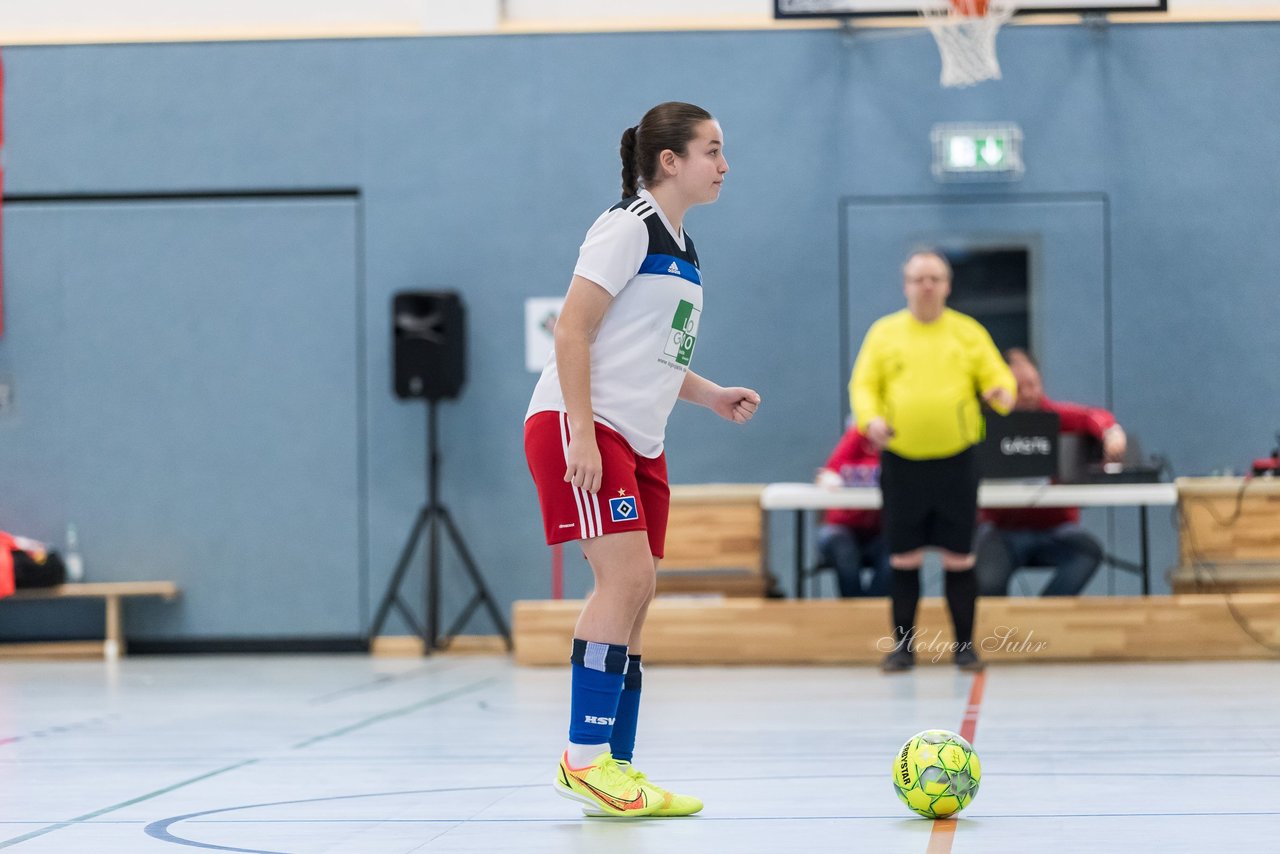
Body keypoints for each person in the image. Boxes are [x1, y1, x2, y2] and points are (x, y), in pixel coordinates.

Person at [524, 102, 760, 818]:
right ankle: (585, 760)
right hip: (586, 430)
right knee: (622, 582)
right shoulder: (627, 226)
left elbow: (655, 357)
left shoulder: (684, 249)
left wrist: (712, 395)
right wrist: (584, 435)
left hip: (642, 438)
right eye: (712, 151)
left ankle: (616, 767)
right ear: (670, 161)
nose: (724, 165)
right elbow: (572, 330)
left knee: (640, 591)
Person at [850, 250, 1015, 674]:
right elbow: (863, 385)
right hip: (902, 464)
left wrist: (1001, 392)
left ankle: (965, 648)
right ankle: (903, 649)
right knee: (903, 558)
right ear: (906, 285)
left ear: (947, 285)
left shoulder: (967, 332)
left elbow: (998, 376)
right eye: (919, 278)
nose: (927, 286)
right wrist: (871, 420)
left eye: (935, 279)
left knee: (960, 557)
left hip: (957, 463)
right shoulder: (884, 333)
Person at [974, 348, 1127, 597]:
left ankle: (1043, 618)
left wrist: (1111, 432)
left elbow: (1092, 416)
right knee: (988, 585)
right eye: (1019, 387)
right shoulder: (984, 424)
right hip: (1000, 532)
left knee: (1087, 553)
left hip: (1057, 529)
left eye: (1033, 384)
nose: (1028, 394)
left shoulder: (1054, 416)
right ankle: (999, 634)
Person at [814, 425, 891, 597]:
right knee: (842, 545)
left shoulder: (898, 444)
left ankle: (872, 608)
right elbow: (828, 474)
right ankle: (853, 606)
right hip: (841, 528)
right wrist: (829, 480)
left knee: (898, 546)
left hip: (879, 532)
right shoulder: (855, 436)